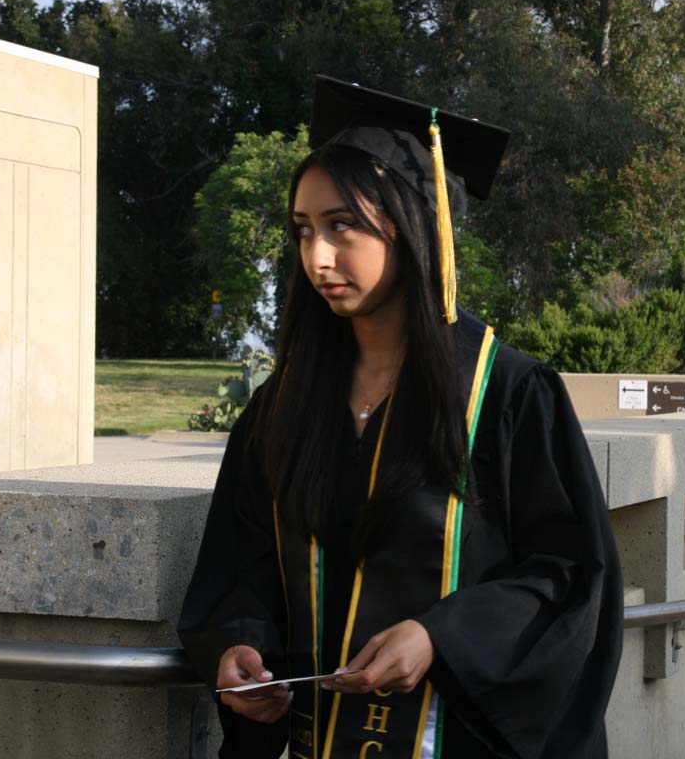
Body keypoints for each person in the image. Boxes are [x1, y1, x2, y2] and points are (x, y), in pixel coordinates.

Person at [177, 76, 624, 759]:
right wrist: (238, 647)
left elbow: (568, 574)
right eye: (303, 231)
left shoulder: (504, 395)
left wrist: (440, 635)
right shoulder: (284, 406)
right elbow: (245, 567)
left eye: (341, 227)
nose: (317, 257)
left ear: (411, 226)